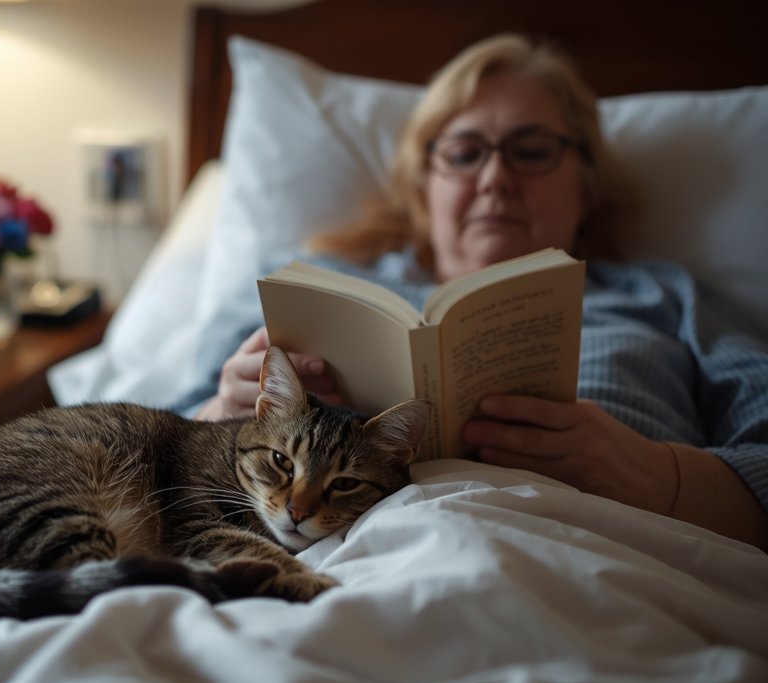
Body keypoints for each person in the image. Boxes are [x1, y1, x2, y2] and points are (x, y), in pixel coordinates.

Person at [184, 33, 768, 551]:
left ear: (585, 182)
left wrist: (662, 475)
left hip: (600, 557)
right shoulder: (309, 280)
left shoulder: (663, 296)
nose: (495, 179)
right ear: (423, 185)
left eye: (532, 150)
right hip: (327, 561)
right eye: (464, 154)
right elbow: (149, 433)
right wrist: (224, 418)